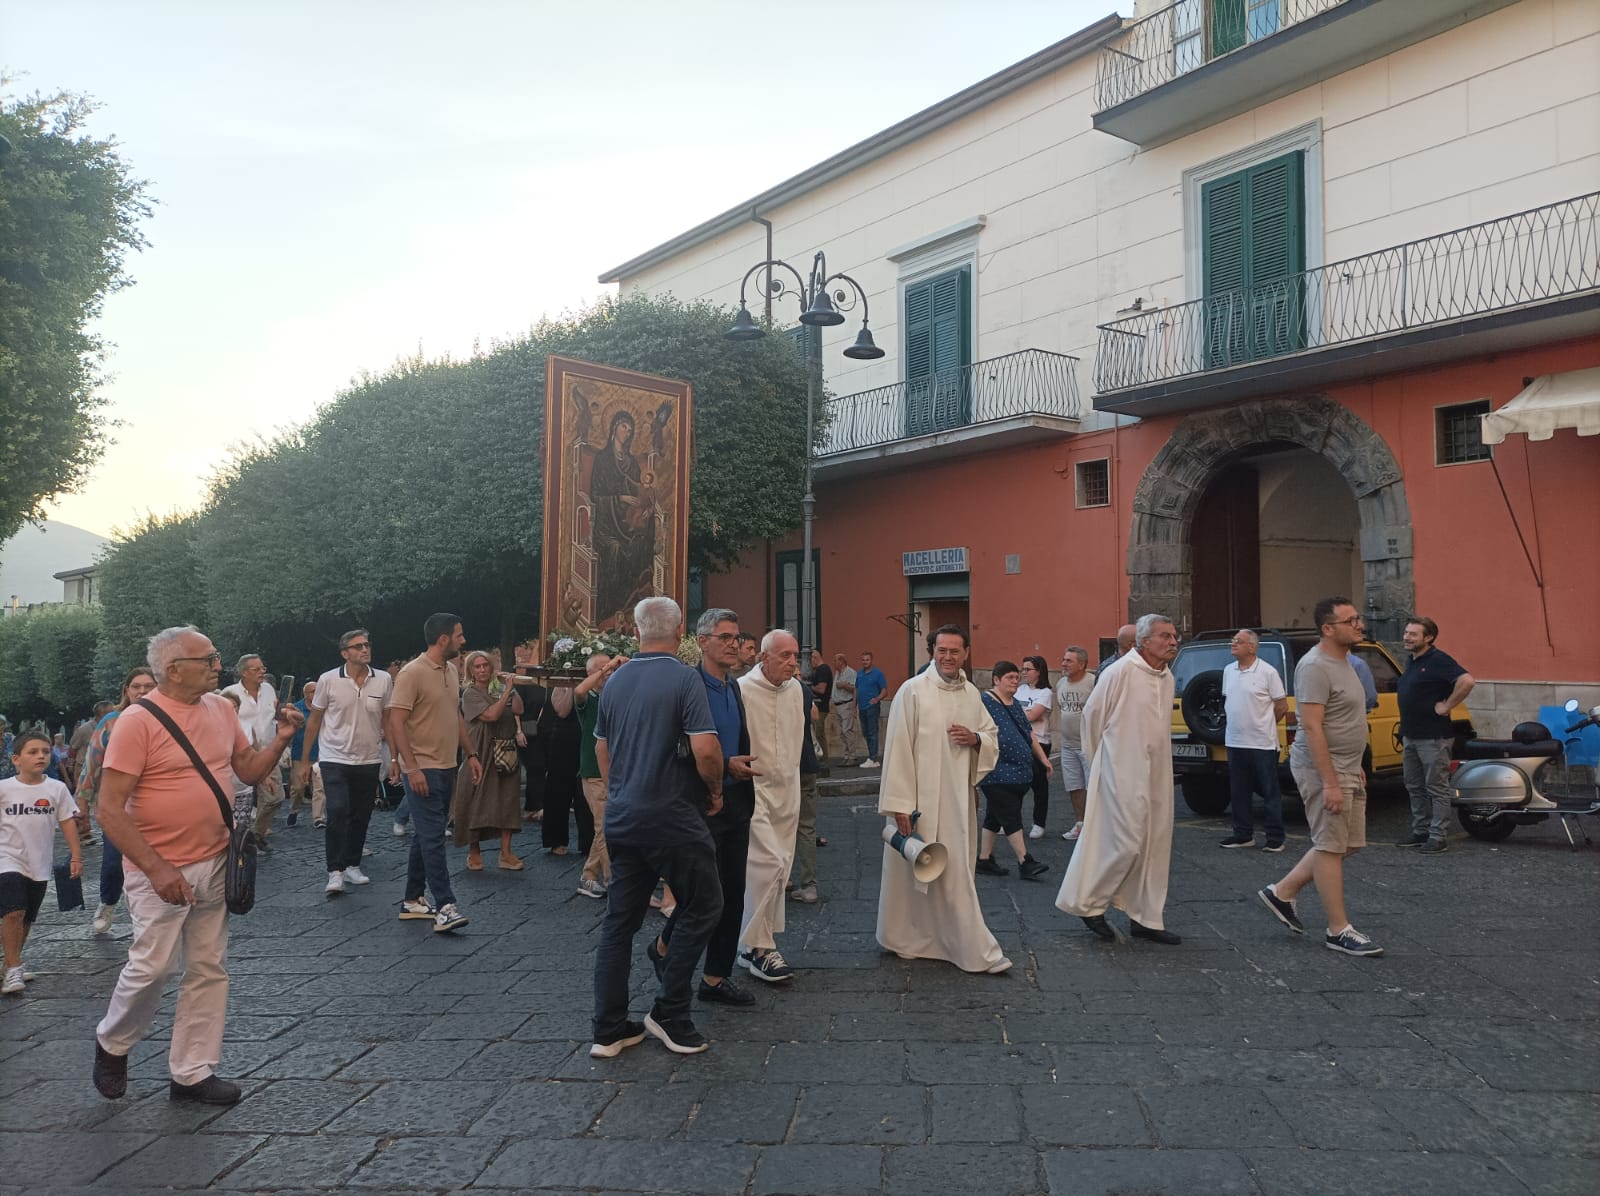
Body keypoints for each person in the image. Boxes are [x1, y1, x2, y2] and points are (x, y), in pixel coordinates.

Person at [93, 625, 302, 1105]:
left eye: (215, 658)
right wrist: (156, 868)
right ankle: (112, 1041)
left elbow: (246, 769)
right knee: (153, 968)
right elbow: (109, 808)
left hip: (216, 857)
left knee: (208, 967)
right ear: (174, 669)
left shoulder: (220, 709)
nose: (217, 666)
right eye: (208, 659)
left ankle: (192, 1072)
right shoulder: (136, 722)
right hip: (158, 867)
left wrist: (281, 739)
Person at [591, 595, 725, 1058]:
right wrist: (715, 791)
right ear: (681, 632)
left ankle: (608, 1029)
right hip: (671, 815)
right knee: (705, 903)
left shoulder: (614, 681)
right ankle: (670, 1011)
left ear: (635, 631)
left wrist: (622, 789)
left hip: (624, 816)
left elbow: (602, 749)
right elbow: (706, 749)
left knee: (619, 924)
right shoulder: (686, 680)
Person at [876, 624, 1009, 974]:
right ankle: (904, 938)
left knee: (954, 871)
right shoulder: (912, 691)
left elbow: (991, 734)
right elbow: (898, 749)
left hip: (956, 800)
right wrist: (899, 804)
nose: (948, 657)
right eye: (941, 650)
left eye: (955, 651)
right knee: (913, 873)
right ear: (932, 651)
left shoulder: (971, 694)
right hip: (917, 799)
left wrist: (976, 739)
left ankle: (971, 947)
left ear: (966, 653)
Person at [1257, 597, 1384, 958]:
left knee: (1350, 843)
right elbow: (1311, 728)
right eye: (1351, 621)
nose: (1360, 625)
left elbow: (1346, 720)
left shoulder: (1349, 663)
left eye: (1358, 618)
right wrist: (1329, 781)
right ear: (1328, 628)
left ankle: (1282, 892)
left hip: (1347, 765)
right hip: (1321, 769)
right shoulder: (1314, 666)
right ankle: (1338, 929)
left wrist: (1355, 762)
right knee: (1330, 846)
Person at [651, 608, 761, 1003]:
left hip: (736, 799)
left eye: (736, 638)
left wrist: (739, 767)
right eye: (726, 637)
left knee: (733, 892)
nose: (734, 645)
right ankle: (663, 947)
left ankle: (715, 978)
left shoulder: (733, 687)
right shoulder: (688, 685)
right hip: (700, 802)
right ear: (702, 642)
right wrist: (721, 765)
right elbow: (675, 745)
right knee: (702, 893)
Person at [1055, 614, 1182, 945]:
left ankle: (1146, 916)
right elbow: (1092, 718)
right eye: (1165, 636)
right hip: (1120, 768)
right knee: (1124, 839)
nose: (1173, 642)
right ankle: (1088, 903)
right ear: (1143, 641)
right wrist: (1104, 762)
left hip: (1156, 770)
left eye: (1174, 636)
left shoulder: (1166, 677)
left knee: (1155, 840)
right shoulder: (1119, 672)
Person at [386, 613, 481, 934]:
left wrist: (471, 753)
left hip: (447, 766)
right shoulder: (412, 673)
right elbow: (396, 721)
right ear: (444, 639)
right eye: (459, 635)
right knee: (432, 838)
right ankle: (445, 906)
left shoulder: (452, 670)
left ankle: (413, 899)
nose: (463, 640)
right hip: (423, 767)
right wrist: (409, 766)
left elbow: (455, 715)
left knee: (426, 836)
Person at [297, 628, 394, 896]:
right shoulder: (328, 680)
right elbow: (314, 719)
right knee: (338, 810)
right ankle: (335, 871)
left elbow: (388, 720)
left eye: (367, 644)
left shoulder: (384, 679)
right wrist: (305, 759)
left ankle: (353, 864)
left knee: (361, 815)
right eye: (358, 646)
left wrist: (395, 757)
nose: (365, 649)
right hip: (334, 757)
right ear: (345, 653)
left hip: (369, 758)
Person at [738, 630, 806, 982]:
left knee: (780, 871)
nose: (793, 662)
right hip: (755, 791)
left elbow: (796, 738)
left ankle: (752, 945)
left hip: (787, 791)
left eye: (795, 655)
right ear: (763, 658)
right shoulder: (743, 690)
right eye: (784, 655)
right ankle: (759, 948)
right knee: (768, 865)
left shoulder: (796, 690)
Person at [78, 667, 158, 935]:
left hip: (157, 805)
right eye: (136, 686)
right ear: (126, 690)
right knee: (114, 861)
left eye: (148, 686)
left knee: (155, 861)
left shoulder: (168, 718)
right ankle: (108, 901)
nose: (142, 691)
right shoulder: (112, 721)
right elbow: (92, 762)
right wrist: (83, 802)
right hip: (118, 805)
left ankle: (146, 915)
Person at [2, 730, 82, 995]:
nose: (41, 756)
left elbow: (67, 822)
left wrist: (76, 855)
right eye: (33, 752)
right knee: (13, 911)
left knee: (26, 917)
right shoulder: (4, 789)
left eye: (45, 752)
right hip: (6, 858)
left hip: (38, 862)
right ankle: (14, 967)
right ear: (16, 759)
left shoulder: (56, 789)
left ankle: (10, 962)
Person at [1396, 617, 1474, 853]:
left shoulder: (1438, 660)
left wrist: (1447, 705)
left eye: (1413, 634)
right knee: (1414, 785)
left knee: (1436, 787)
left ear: (1428, 638)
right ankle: (1420, 831)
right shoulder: (1412, 661)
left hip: (1433, 737)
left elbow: (1467, 680)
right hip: (1411, 735)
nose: (1407, 637)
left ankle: (1438, 836)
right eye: (1406, 633)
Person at [450, 651, 527, 873]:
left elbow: (519, 709)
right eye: (477, 667)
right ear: (471, 671)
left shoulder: (498, 688)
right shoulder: (470, 694)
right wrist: (507, 693)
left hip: (505, 749)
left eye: (486, 666)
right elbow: (491, 715)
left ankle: (506, 852)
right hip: (480, 751)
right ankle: (474, 852)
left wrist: (507, 687)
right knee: (475, 799)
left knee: (508, 799)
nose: (482, 670)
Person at [975, 661, 1051, 881]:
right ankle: (1025, 861)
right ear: (996, 679)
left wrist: (1043, 759)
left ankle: (985, 859)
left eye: (1017, 678)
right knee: (1010, 816)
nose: (1015, 682)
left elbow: (1029, 733)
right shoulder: (984, 702)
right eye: (1010, 678)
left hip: (1019, 772)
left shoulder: (1015, 703)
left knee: (994, 817)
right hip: (996, 772)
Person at [1218, 630, 1288, 852]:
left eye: (1239, 641)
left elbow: (1281, 705)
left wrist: (1264, 724)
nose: (1233, 644)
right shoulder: (1228, 671)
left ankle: (1275, 837)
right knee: (1239, 791)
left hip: (1261, 743)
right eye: (1233, 641)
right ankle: (1242, 834)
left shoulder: (1267, 672)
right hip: (1235, 741)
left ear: (1252, 647)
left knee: (1269, 791)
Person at [589, 410, 656, 622]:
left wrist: (647, 507)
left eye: (630, 429)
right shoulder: (603, 459)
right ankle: (608, 609)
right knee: (614, 548)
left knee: (640, 543)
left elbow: (641, 493)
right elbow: (595, 495)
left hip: (629, 522)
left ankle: (632, 609)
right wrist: (620, 498)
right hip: (607, 523)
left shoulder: (632, 463)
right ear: (613, 428)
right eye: (623, 426)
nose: (627, 432)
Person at [575, 652, 627, 900]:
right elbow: (579, 691)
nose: (608, 673)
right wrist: (606, 667)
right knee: (605, 827)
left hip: (614, 770)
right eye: (602, 669)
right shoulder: (590, 699)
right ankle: (615, 882)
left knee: (604, 827)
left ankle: (588, 877)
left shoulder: (615, 699)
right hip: (593, 772)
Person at [221, 654, 283, 853]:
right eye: (256, 669)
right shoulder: (229, 693)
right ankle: (235, 841)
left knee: (276, 798)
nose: (262, 672)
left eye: (263, 668)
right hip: (240, 755)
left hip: (268, 751)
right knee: (239, 800)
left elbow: (274, 718)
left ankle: (257, 833)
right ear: (244, 672)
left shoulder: (268, 689)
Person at [539, 679, 590, 857]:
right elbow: (562, 711)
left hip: (588, 737)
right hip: (563, 739)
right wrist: (570, 682)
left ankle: (589, 842)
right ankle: (556, 840)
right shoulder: (561, 684)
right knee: (558, 790)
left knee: (587, 791)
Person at [1054, 646, 1095, 842]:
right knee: (1074, 786)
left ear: (1082, 664)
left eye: (1069, 661)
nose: (1063, 664)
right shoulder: (1061, 683)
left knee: (1092, 787)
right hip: (1067, 746)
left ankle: (1093, 827)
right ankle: (1079, 824)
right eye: (1063, 659)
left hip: (1088, 745)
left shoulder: (1093, 682)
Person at [788, 673, 823, 905]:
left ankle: (783, 878)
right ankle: (810, 885)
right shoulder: (803, 689)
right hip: (808, 761)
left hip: (786, 765)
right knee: (807, 827)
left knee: (778, 825)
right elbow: (814, 716)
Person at [1016, 655, 1054, 839]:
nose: (1023, 673)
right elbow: (1013, 710)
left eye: (1027, 669)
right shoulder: (1020, 690)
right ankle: (1011, 821)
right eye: (1022, 669)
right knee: (1015, 783)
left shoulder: (1045, 692)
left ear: (1038, 672)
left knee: (1039, 785)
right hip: (1021, 740)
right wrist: (1025, 713)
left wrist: (1020, 713)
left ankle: (1039, 823)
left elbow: (1033, 716)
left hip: (1039, 741)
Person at [285, 682, 323, 830]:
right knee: (298, 787)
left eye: (317, 691)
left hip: (321, 752)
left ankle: (318, 818)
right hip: (300, 754)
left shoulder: (323, 708)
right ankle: (294, 810)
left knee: (320, 787)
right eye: (312, 691)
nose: (315, 694)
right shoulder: (296, 708)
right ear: (305, 694)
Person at [855, 651, 888, 768]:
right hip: (861, 707)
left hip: (872, 707)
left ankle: (872, 758)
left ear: (871, 660)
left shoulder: (878, 674)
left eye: (867, 660)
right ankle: (871, 756)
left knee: (872, 732)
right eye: (863, 660)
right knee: (865, 732)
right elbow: (857, 690)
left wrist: (877, 699)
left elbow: (884, 690)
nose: (865, 662)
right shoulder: (859, 674)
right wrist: (855, 706)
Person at [830, 652, 861, 766]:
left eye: (835, 660)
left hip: (846, 704)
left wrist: (844, 685)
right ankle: (846, 755)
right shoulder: (837, 673)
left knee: (847, 730)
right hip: (837, 705)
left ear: (841, 662)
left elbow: (855, 689)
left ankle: (852, 756)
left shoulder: (851, 673)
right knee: (841, 732)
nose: (833, 663)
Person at [808, 649, 834, 762]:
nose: (810, 663)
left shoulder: (823, 669)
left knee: (819, 732)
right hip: (818, 706)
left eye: (811, 659)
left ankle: (823, 757)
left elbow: (822, 689)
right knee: (816, 732)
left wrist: (809, 687)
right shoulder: (818, 670)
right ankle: (820, 756)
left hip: (821, 706)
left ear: (815, 657)